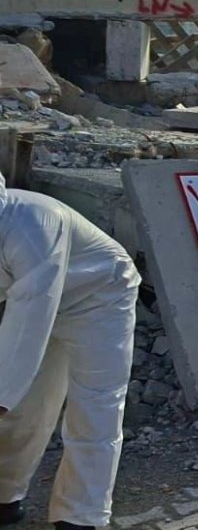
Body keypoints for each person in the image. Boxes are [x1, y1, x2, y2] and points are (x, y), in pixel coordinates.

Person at [0, 175, 142, 530]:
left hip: (102, 297)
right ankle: (4, 496)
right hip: (38, 304)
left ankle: (80, 516)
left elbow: (30, 318)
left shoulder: (32, 225)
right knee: (28, 407)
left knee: (95, 407)